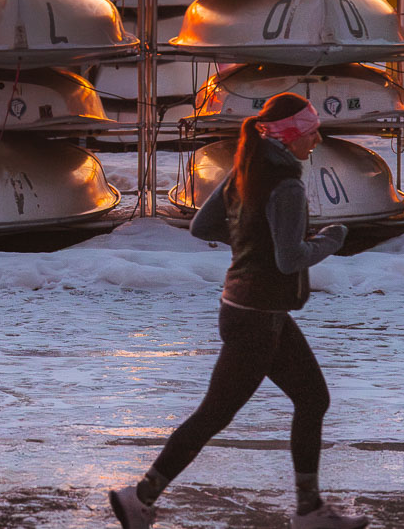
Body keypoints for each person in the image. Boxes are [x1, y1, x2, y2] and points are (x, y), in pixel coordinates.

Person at [110, 92, 367, 529]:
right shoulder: (286, 185)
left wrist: (253, 246)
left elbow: (202, 225)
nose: (317, 139)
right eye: (311, 132)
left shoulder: (247, 169)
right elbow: (291, 259)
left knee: (312, 398)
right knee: (215, 414)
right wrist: (332, 240)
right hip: (256, 317)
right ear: (290, 138)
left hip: (249, 308)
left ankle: (309, 511)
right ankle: (140, 496)